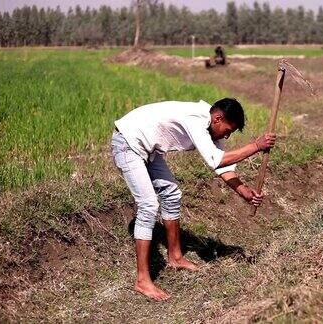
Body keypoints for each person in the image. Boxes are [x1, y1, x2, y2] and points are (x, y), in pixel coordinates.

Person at [111, 98, 276, 301]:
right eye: (228, 130)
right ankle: (143, 281)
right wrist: (256, 146)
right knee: (148, 205)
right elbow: (216, 159)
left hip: (149, 149)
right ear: (218, 118)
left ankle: (175, 257)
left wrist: (243, 191)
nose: (227, 135)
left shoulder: (212, 126)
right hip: (128, 143)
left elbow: (221, 165)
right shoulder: (196, 120)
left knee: (172, 195)